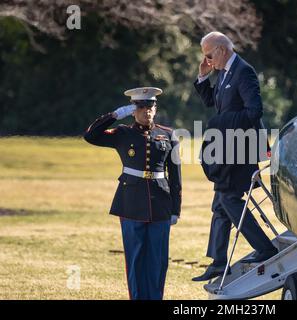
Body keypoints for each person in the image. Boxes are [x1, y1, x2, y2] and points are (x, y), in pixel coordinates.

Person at [192, 32, 277, 282]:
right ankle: (218, 263)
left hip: (244, 148)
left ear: (221, 50)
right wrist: (203, 76)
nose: (207, 59)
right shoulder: (223, 72)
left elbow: (254, 112)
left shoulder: (243, 71)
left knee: (228, 198)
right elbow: (212, 101)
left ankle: (265, 248)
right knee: (220, 204)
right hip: (229, 148)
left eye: (208, 55)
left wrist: (221, 122)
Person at [84, 87, 182, 300]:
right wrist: (115, 115)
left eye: (150, 107)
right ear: (133, 110)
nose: (147, 111)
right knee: (136, 258)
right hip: (130, 203)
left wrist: (176, 209)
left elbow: (175, 176)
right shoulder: (122, 133)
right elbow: (90, 136)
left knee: (158, 259)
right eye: (141, 107)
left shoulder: (168, 135)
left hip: (161, 204)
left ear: (155, 109)